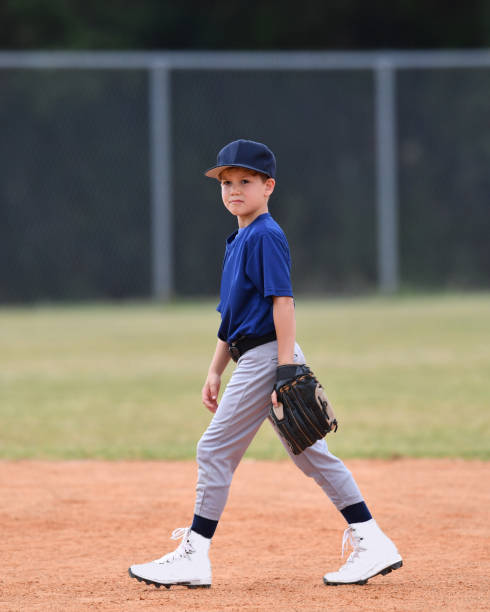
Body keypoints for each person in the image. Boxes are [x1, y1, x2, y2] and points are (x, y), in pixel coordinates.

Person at [129, 139, 402, 589]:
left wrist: (285, 368)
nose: (234, 190)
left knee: (213, 450)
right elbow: (231, 316)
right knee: (312, 454)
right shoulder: (239, 238)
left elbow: (284, 303)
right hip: (253, 355)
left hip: (267, 357)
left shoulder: (266, 235)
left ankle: (194, 554)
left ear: (268, 186)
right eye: (226, 182)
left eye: (246, 181)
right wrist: (216, 368)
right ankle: (373, 540)